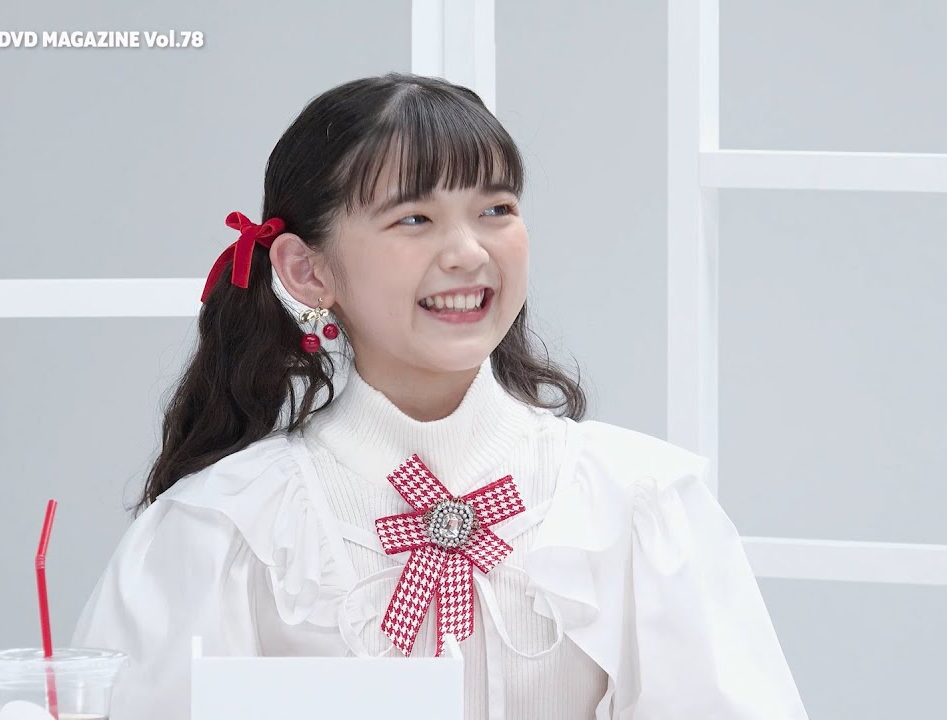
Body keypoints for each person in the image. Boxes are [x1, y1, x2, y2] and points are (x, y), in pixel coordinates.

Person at [72, 71, 809, 720]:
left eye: (497, 210)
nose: (468, 252)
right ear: (306, 270)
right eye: (414, 219)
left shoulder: (635, 504)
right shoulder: (228, 528)